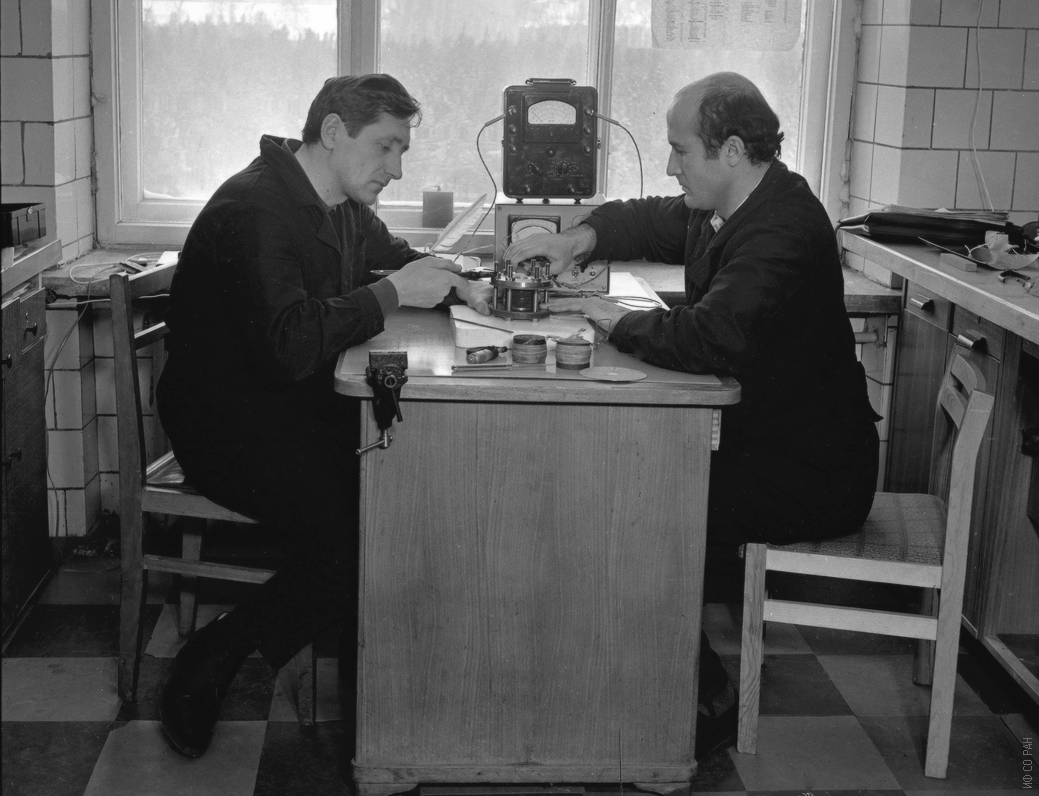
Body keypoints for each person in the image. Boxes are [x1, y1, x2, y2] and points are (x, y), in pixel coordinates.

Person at [505, 71, 880, 761]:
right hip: (763, 448)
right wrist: (573, 241)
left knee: (644, 505)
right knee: (629, 484)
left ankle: (695, 705)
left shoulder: (782, 227)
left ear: (730, 150)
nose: (672, 165)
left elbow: (711, 338)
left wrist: (607, 316)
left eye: (681, 150)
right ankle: (642, 679)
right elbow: (646, 218)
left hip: (810, 473)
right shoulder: (728, 207)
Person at [155, 73, 492, 758]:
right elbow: (287, 347)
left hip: (288, 411)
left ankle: (389, 683)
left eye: (402, 151)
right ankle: (214, 656)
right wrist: (394, 292)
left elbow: (394, 259)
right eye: (386, 147)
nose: (396, 169)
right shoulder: (256, 210)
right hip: (225, 426)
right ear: (334, 132)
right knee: (364, 528)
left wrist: (459, 280)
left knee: (404, 489)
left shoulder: (338, 201)